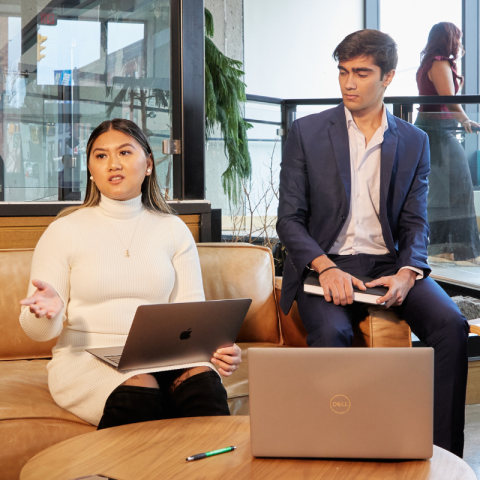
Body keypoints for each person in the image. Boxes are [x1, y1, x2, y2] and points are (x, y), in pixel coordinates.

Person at [277, 29, 469, 458]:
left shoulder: (414, 140)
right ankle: (339, 453)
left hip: (389, 264)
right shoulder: (307, 133)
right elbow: (289, 221)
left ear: (388, 78)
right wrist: (325, 267)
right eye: (343, 72)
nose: (348, 83)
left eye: (361, 73)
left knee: (451, 327)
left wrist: (409, 269)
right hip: (327, 264)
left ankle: (445, 456)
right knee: (331, 332)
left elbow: (415, 220)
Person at [19, 119, 241, 430]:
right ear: (91, 172)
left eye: (124, 152)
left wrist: (215, 349)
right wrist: (46, 313)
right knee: (140, 387)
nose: (112, 163)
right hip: (86, 357)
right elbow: (38, 330)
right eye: (100, 156)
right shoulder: (64, 231)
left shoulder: (173, 229)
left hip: (163, 356)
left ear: (148, 164)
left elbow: (191, 317)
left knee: (202, 381)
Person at [416, 22, 480, 266]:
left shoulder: (428, 63)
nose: (460, 43)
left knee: (441, 193)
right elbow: (448, 99)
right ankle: (468, 253)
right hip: (439, 130)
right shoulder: (440, 62)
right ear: (449, 39)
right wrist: (463, 119)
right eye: (458, 38)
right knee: (461, 188)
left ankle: (440, 249)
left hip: (429, 129)